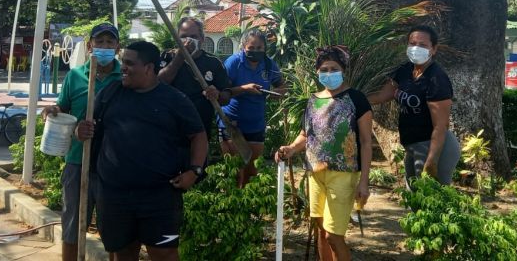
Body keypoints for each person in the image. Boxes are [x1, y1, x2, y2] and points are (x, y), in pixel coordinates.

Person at [76, 41, 207, 261]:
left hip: (159, 196)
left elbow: (199, 136)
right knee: (122, 253)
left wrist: (194, 171)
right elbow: (87, 126)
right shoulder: (111, 92)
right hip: (114, 195)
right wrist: (81, 131)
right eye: (122, 62)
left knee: (164, 254)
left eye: (129, 63)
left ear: (148, 68)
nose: (122, 68)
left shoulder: (174, 100)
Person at [276, 46, 372, 261]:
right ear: (317, 72)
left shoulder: (357, 99)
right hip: (315, 174)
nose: (329, 73)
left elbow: (366, 142)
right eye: (324, 69)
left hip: (344, 175)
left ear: (343, 70)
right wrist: (290, 149)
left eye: (334, 68)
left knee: (334, 236)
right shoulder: (313, 100)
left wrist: (364, 181)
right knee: (321, 231)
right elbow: (305, 134)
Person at [41, 22, 121, 261]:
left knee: (116, 230)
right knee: (73, 225)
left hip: (113, 165)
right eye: (99, 42)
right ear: (89, 46)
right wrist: (53, 111)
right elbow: (63, 107)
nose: (104, 47)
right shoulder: (75, 77)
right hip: (78, 161)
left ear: (118, 47)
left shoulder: (124, 78)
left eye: (110, 42)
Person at [368, 25, 461, 186]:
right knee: (414, 197)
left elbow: (441, 125)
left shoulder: (436, 79)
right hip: (412, 146)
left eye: (423, 45)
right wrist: (350, 96)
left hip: (434, 147)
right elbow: (382, 96)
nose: (416, 48)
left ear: (434, 49)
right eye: (412, 43)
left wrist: (432, 160)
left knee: (431, 199)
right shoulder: (404, 70)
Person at [220, 28, 286, 187]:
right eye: (251, 48)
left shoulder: (269, 64)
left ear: (264, 49)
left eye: (259, 48)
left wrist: (278, 92)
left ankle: (248, 210)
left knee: (251, 171)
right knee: (235, 171)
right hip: (232, 122)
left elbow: (282, 86)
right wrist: (244, 89)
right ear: (243, 47)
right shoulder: (233, 63)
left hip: (256, 123)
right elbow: (221, 93)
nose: (255, 51)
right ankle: (232, 209)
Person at [158, 17, 232, 146]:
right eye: (183, 36)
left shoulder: (214, 63)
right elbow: (158, 83)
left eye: (193, 36)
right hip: (168, 129)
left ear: (202, 39)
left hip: (199, 131)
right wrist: (180, 57)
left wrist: (217, 94)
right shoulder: (167, 56)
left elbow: (226, 97)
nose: (188, 41)